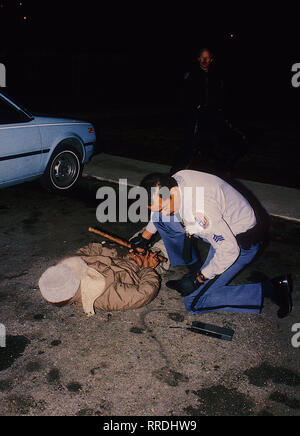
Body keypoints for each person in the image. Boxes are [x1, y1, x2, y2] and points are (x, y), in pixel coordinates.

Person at [130, 170, 293, 318]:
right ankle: (193, 270)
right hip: (218, 226)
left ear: (172, 192)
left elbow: (229, 250)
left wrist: (200, 278)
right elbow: (159, 211)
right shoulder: (174, 181)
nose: (162, 213)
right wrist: (145, 237)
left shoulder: (199, 211)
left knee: (194, 303)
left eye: (164, 207)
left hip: (239, 244)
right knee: (166, 219)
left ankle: (272, 288)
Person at [38, 243, 161, 316]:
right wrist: (147, 268)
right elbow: (143, 294)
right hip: (141, 272)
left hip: (127, 257)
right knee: (166, 244)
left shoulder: (70, 265)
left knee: (145, 234)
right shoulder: (101, 296)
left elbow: (91, 249)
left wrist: (127, 252)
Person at [171, 47, 227, 174]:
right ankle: (176, 172)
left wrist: (216, 107)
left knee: (214, 145)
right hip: (194, 116)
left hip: (211, 115)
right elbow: (183, 95)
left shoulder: (216, 76)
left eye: (207, 57)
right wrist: (194, 105)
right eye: (202, 57)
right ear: (198, 59)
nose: (204, 60)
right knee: (189, 143)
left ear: (211, 59)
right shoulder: (191, 75)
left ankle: (219, 175)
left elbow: (221, 95)